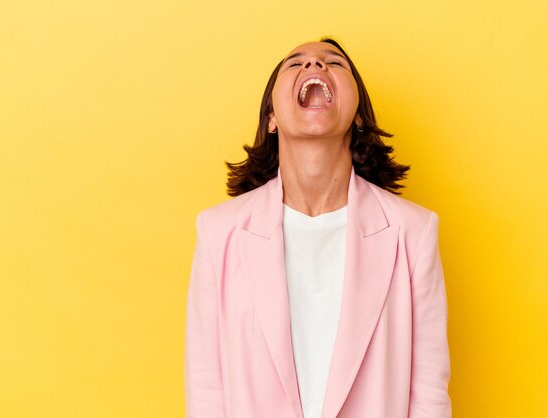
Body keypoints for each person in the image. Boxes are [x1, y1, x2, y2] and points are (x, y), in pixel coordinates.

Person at [184, 37, 451, 418]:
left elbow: (428, 395)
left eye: (334, 63)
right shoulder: (218, 233)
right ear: (271, 118)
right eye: (295, 63)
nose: (314, 66)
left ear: (358, 115)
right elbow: (206, 393)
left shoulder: (414, 232)